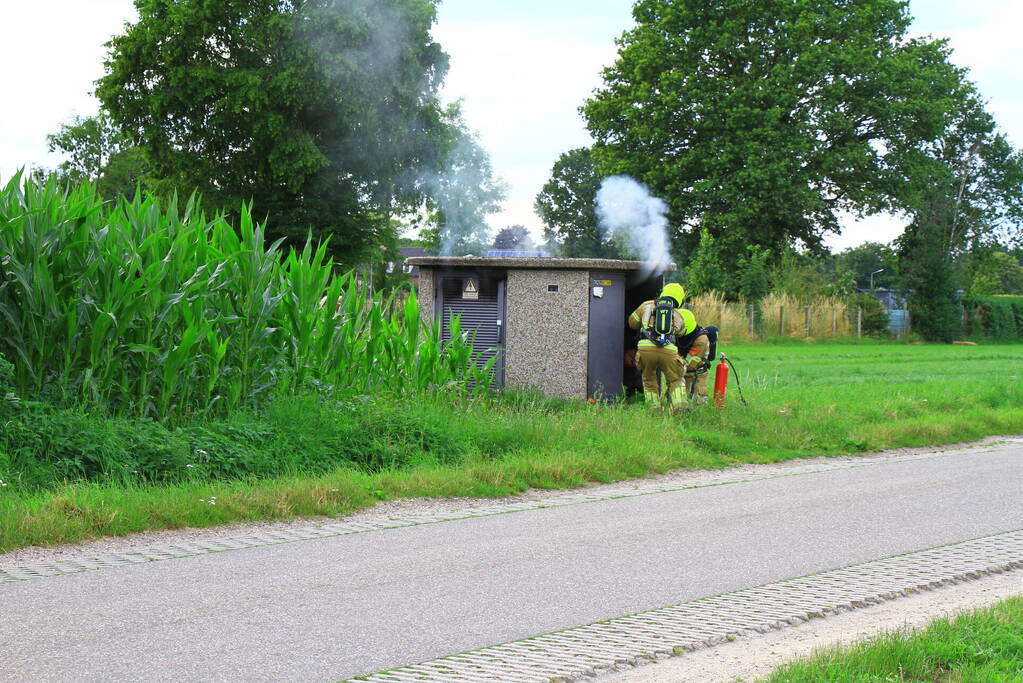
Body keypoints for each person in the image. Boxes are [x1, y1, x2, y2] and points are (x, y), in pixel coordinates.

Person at [627, 283, 687, 410]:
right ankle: (679, 408)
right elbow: (682, 333)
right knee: (675, 379)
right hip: (668, 350)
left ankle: (654, 409)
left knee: (649, 380)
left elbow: (631, 323)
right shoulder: (678, 314)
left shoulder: (646, 306)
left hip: (645, 348)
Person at [676, 308, 711, 405]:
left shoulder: (701, 340)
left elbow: (690, 364)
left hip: (696, 375)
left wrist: (672, 363)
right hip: (683, 374)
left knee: (697, 402)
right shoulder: (682, 336)